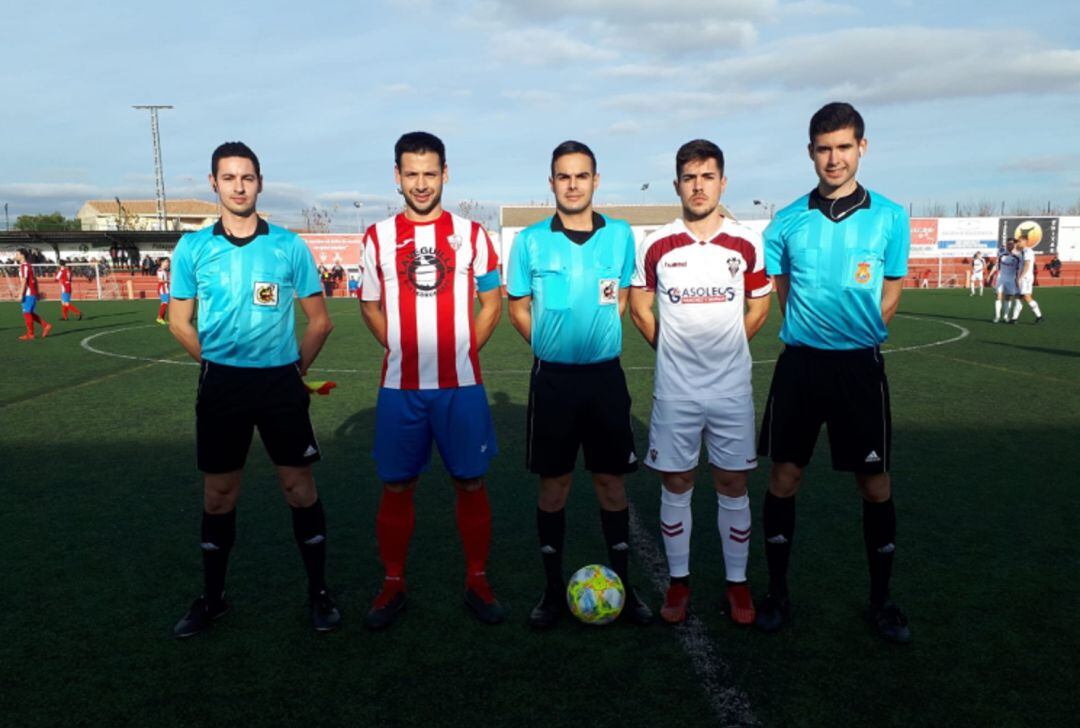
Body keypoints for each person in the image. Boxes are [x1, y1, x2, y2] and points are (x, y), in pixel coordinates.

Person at [755, 102, 912, 644]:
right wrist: (814, 331)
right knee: (784, 476)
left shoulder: (890, 215)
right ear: (810, 152)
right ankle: (776, 593)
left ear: (861, 148)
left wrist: (859, 329)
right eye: (824, 148)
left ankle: (882, 601)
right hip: (801, 366)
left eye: (844, 147)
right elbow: (782, 292)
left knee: (874, 484)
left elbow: (891, 288)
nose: (834, 158)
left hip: (859, 368)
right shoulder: (786, 221)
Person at [168, 141, 339, 637]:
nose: (239, 186)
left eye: (247, 177)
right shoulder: (194, 248)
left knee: (298, 487)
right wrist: (217, 364)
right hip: (222, 385)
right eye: (229, 178)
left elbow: (319, 322)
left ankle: (319, 593)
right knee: (219, 495)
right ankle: (214, 599)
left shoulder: (288, 246)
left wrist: (290, 370)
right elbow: (180, 321)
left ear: (259, 183)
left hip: (279, 384)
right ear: (213, 184)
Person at [359, 131, 506, 629]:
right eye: (411, 174)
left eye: (429, 173)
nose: (420, 184)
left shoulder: (472, 234)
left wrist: (463, 350)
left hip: (460, 386)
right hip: (401, 388)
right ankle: (393, 583)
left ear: (445, 174)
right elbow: (371, 305)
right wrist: (400, 347)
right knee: (397, 486)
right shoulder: (377, 237)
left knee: (471, 481)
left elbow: (492, 302)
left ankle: (477, 579)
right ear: (397, 176)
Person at [507, 140, 654, 629]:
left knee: (612, 482)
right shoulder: (529, 241)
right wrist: (550, 344)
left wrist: (595, 335)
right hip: (553, 382)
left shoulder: (620, 235)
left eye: (581, 176)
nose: (572, 184)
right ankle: (552, 593)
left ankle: (626, 589)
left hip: (605, 379)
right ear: (551, 183)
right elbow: (517, 307)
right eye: (563, 176)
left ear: (596, 180)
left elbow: (625, 295)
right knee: (556, 484)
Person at [629, 139, 771, 625]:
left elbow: (759, 305)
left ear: (722, 182)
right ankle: (679, 583)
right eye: (689, 177)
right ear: (677, 185)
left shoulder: (746, 241)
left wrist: (732, 344)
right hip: (676, 390)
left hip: (731, 388)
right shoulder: (657, 243)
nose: (698, 186)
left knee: (733, 484)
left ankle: (737, 584)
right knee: (678, 481)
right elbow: (640, 306)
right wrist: (666, 348)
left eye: (707, 176)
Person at [16, 249, 52, 340]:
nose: (16, 255)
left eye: (17, 254)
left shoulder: (24, 266)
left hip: (28, 293)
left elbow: (24, 280)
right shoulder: (28, 266)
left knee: (27, 313)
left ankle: (30, 334)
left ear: (22, 255)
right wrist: (37, 292)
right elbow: (34, 280)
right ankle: (46, 325)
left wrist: (20, 294)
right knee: (29, 313)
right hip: (30, 292)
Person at [1013, 241, 1043, 323]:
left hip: (1026, 277)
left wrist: (1020, 278)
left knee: (1026, 297)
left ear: (1025, 242)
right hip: (1022, 277)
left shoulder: (1027, 251)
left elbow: (1027, 265)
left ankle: (1039, 316)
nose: (1018, 243)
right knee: (1018, 297)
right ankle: (1014, 318)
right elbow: (1014, 253)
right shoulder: (1022, 251)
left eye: (1019, 241)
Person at [992, 239, 1021, 323]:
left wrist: (1018, 279)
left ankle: (1006, 316)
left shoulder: (1018, 255)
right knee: (998, 296)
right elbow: (997, 264)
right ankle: (997, 316)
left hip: (1011, 278)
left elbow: (1020, 267)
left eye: (1011, 244)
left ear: (1015, 245)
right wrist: (992, 275)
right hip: (1001, 277)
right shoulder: (1001, 252)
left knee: (1008, 297)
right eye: (1008, 244)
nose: (1009, 246)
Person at [156, 257, 171, 325]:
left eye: (168, 262)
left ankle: (162, 318)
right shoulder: (160, 270)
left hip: (167, 288)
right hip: (163, 289)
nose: (168, 263)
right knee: (165, 303)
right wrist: (169, 281)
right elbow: (160, 280)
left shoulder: (166, 271)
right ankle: (159, 318)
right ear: (162, 262)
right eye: (166, 262)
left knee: (164, 303)